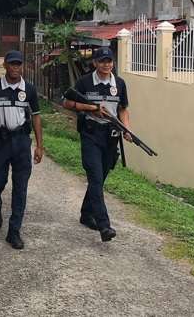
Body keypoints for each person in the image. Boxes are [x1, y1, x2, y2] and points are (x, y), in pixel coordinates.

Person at [0, 50, 43, 250]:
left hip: (21, 142)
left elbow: (37, 116)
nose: (15, 68)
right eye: (12, 64)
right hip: (0, 142)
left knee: (20, 188)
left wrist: (39, 145)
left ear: (22, 66)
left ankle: (14, 231)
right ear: (4, 65)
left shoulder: (29, 89)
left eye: (18, 64)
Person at [62, 47, 131, 242]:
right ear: (95, 63)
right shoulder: (85, 82)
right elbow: (67, 103)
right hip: (91, 134)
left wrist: (127, 129)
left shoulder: (119, 83)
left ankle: (86, 214)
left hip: (111, 136)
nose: (106, 64)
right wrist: (91, 108)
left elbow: (123, 109)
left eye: (109, 61)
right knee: (95, 178)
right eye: (102, 61)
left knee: (100, 179)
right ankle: (104, 225)